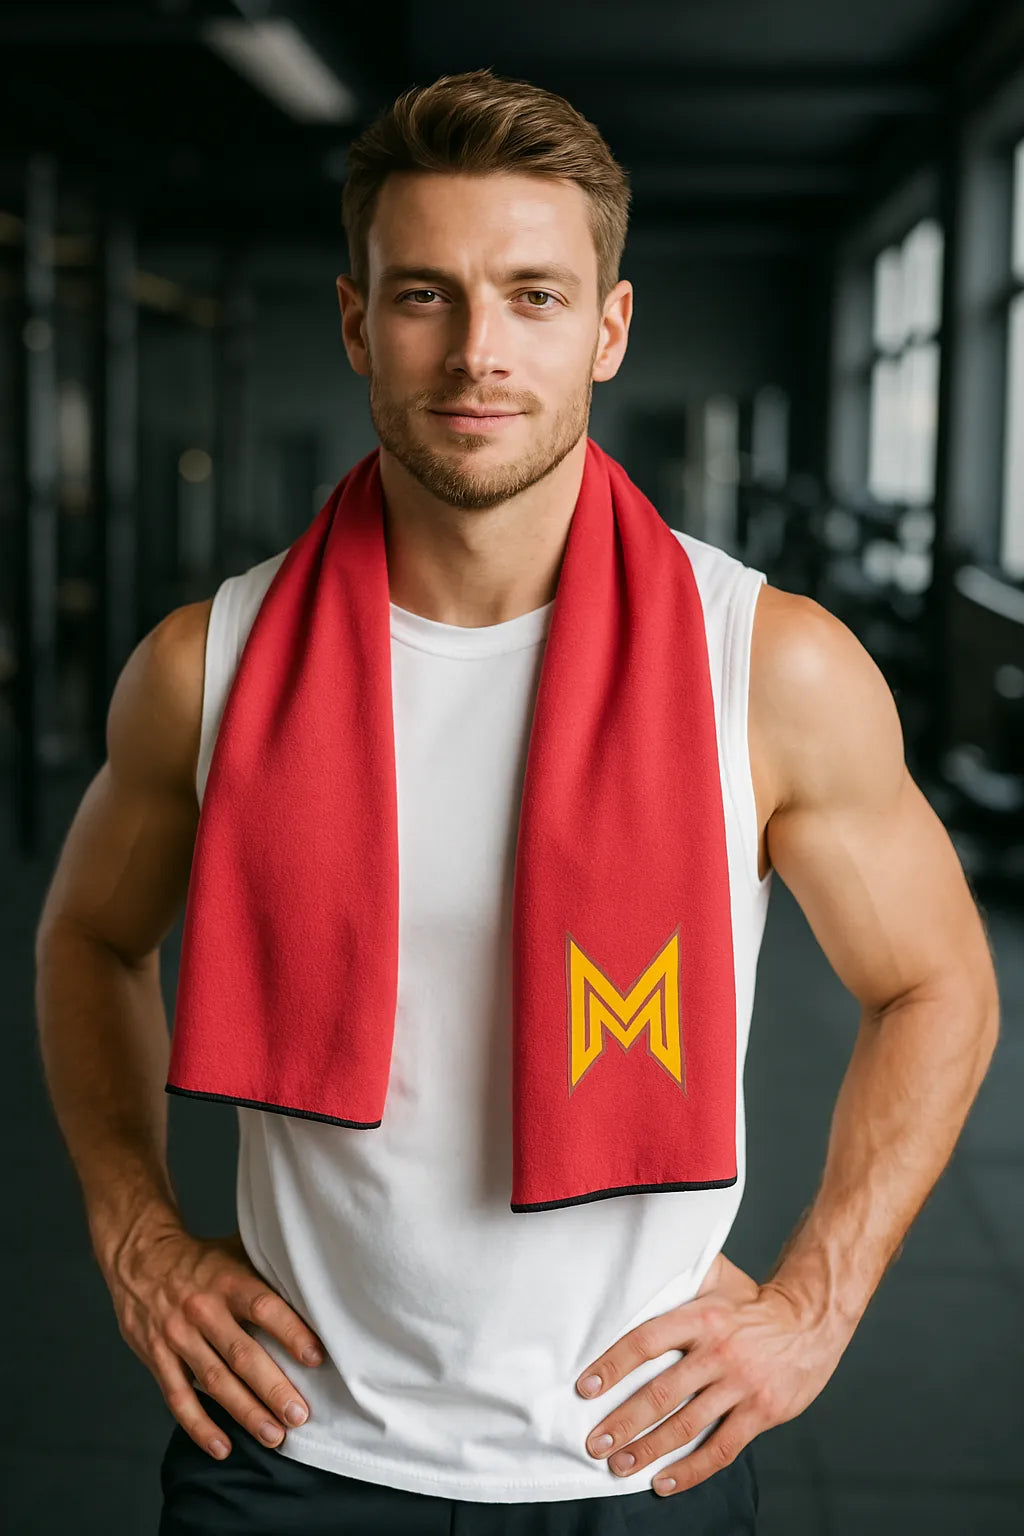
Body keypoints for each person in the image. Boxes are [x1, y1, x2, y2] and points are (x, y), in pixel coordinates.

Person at [34, 67, 999, 1536]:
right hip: (291, 1449)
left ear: (609, 328)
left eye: (535, 297)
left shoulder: (768, 665)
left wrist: (815, 1303)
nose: (478, 353)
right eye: (425, 295)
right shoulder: (207, 669)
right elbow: (87, 942)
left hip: (631, 1459)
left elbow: (939, 981)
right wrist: (134, 1234)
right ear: (359, 322)